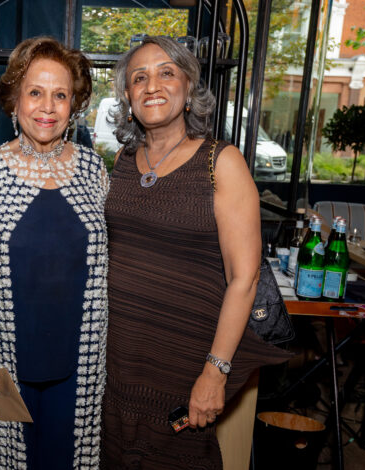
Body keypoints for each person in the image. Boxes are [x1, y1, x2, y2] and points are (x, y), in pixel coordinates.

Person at [100, 36, 291, 469]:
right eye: (139, 77)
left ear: (188, 88)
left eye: (166, 73)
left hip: (185, 363)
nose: (152, 85)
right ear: (127, 95)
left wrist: (214, 371)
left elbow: (243, 278)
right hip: (120, 360)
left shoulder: (220, 161)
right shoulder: (125, 160)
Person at [0, 36, 109, 469]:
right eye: (35, 92)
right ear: (15, 100)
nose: (48, 107)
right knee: (9, 459)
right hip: (5, 360)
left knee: (66, 460)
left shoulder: (93, 169)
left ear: (74, 104)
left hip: (78, 362)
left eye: (60, 95)